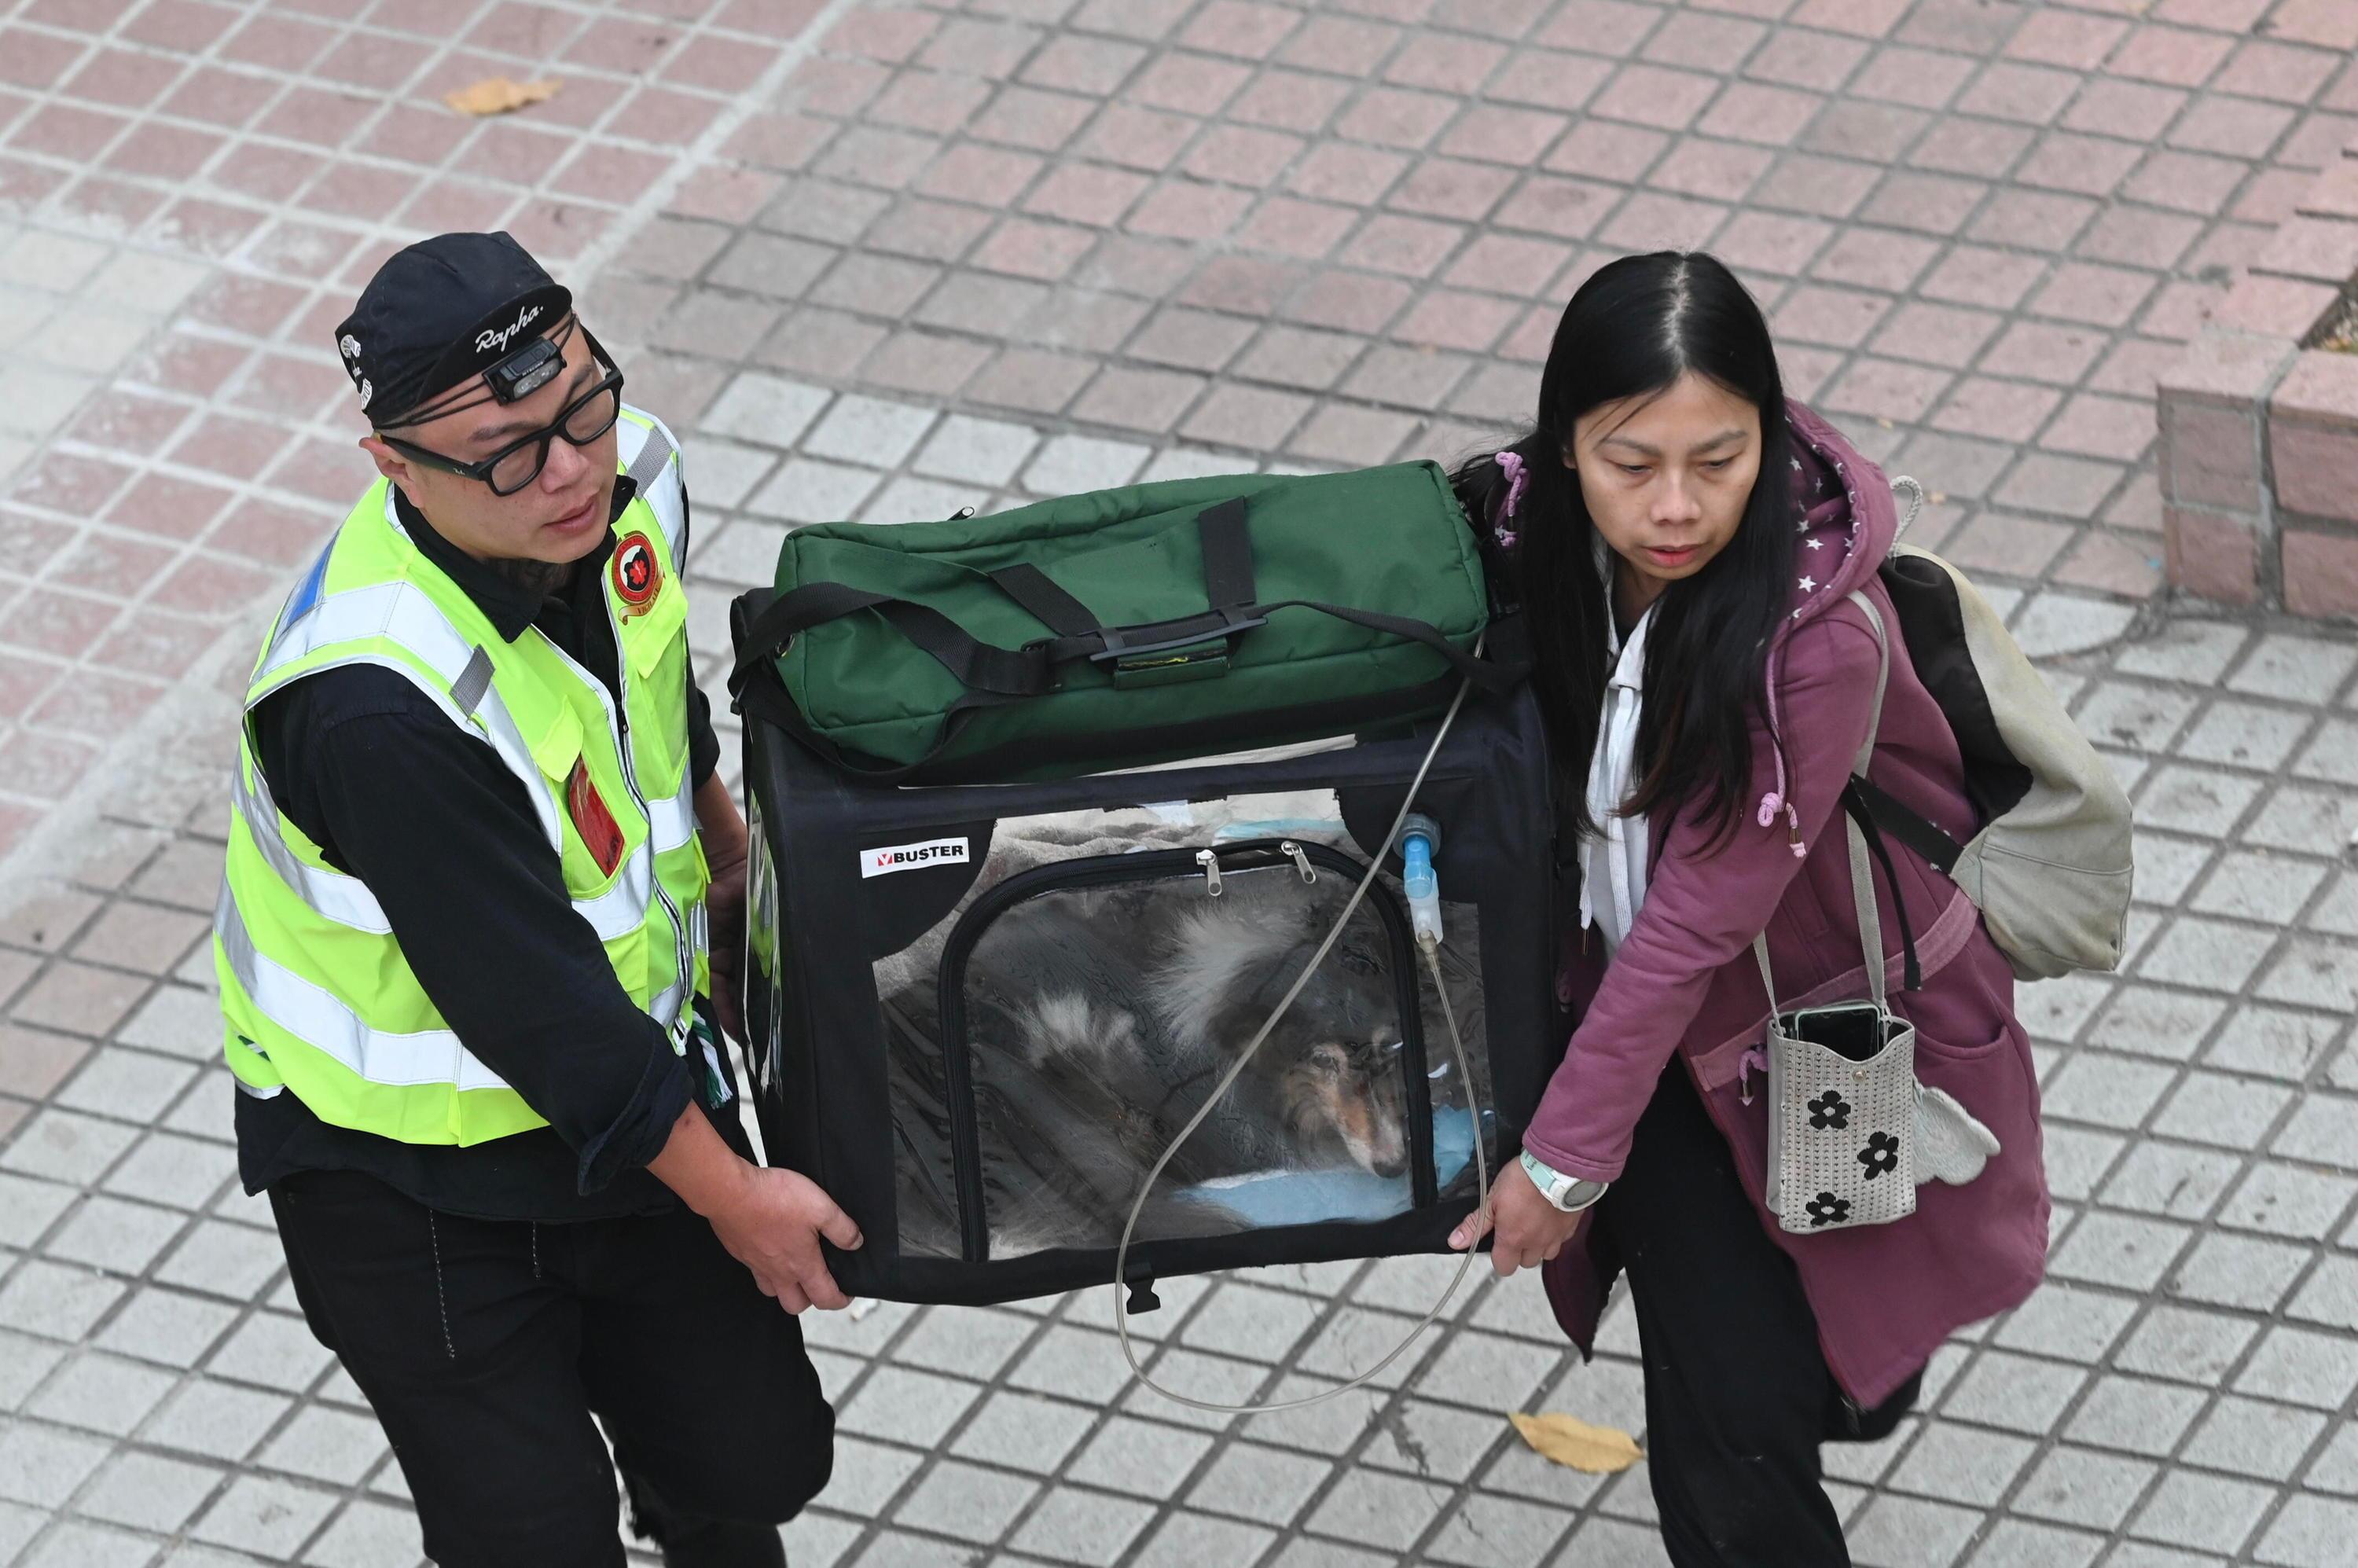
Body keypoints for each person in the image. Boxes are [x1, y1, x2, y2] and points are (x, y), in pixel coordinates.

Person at [212, 231, 852, 1568]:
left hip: (631, 1088)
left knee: (755, 1461)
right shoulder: (374, 701)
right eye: (505, 456)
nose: (568, 473)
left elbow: (653, 699)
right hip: (411, 1184)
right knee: (534, 1542)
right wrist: (735, 1196)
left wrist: (732, 868)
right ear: (395, 465)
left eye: (581, 409)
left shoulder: (633, 476)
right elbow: (539, 1010)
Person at [1447, 251, 2049, 1566]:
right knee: (1729, 1429)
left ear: (1767, 441)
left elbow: (1695, 922)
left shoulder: (1814, 642)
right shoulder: (1514, 541)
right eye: (1630, 463)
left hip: (1807, 1034)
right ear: (1564, 448)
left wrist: (1561, 1165)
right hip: (1640, 1043)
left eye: (1719, 462)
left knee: (1818, 1379)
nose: (1675, 507)